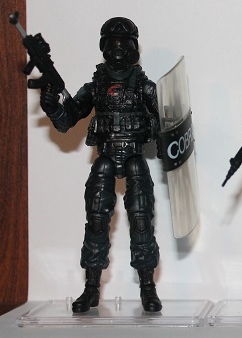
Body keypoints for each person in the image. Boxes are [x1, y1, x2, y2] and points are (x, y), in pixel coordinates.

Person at [37, 17, 162, 313]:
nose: (118, 52)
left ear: (133, 50)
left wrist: (163, 135)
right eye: (113, 46)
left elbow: (169, 123)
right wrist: (52, 106)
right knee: (96, 221)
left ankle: (147, 287)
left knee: (141, 220)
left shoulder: (145, 87)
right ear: (104, 48)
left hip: (134, 156)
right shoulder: (95, 87)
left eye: (124, 46)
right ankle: (91, 288)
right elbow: (67, 120)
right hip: (105, 156)